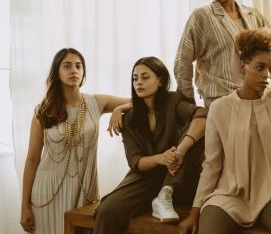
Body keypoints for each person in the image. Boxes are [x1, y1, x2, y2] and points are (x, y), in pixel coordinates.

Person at [179, 27, 271, 234]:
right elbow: (212, 165)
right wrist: (194, 213)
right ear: (243, 66)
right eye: (260, 67)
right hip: (229, 195)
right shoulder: (220, 108)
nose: (266, 75)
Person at [20, 48, 130, 234]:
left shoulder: (97, 102)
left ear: (84, 72)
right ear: (57, 71)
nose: (74, 70)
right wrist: (24, 206)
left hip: (84, 194)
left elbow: (141, 100)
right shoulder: (43, 111)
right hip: (46, 194)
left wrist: (120, 109)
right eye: (67, 66)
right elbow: (32, 159)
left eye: (79, 66)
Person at [94, 57, 207, 234]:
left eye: (145, 77)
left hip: (178, 177)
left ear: (160, 80)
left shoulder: (174, 101)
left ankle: (165, 193)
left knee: (194, 130)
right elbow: (136, 162)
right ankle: (158, 198)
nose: (138, 82)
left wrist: (180, 151)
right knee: (107, 211)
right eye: (135, 78)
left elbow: (202, 115)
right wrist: (160, 158)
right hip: (145, 178)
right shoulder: (129, 119)